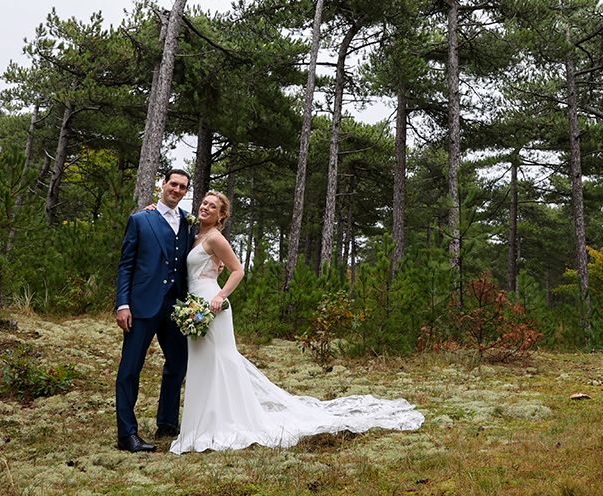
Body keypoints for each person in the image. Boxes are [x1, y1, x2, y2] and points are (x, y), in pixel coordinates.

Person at [169, 190, 424, 453]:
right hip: (193, 305)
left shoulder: (215, 238)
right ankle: (200, 424)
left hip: (211, 304)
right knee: (201, 364)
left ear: (221, 215)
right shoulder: (194, 233)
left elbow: (238, 270)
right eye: (204, 203)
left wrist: (221, 295)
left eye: (212, 206)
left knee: (221, 361)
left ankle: (226, 422)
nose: (206, 208)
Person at [114, 169, 196, 452]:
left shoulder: (188, 223)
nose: (177, 190)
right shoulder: (140, 219)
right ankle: (127, 435)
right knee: (130, 368)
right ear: (163, 185)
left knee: (178, 364)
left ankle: (168, 422)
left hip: (175, 306)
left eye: (183, 187)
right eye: (173, 184)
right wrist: (122, 304)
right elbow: (126, 265)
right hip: (141, 306)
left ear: (186, 192)